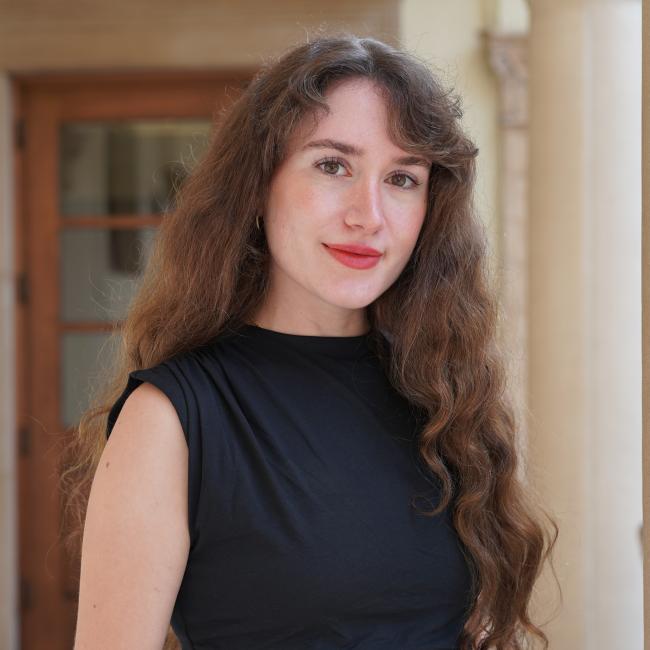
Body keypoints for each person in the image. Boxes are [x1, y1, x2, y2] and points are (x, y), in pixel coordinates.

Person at [62, 32, 559, 650]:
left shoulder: (444, 395)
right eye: (332, 165)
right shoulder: (171, 418)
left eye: (403, 178)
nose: (368, 214)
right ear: (258, 186)